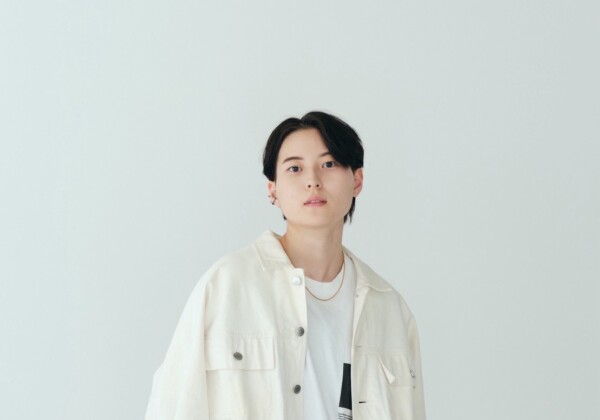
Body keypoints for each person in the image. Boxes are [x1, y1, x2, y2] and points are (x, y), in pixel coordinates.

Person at [145, 111, 426, 420]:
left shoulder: (389, 308)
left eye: (329, 164)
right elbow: (172, 407)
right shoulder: (226, 286)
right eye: (295, 168)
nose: (313, 181)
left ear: (357, 180)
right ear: (273, 189)